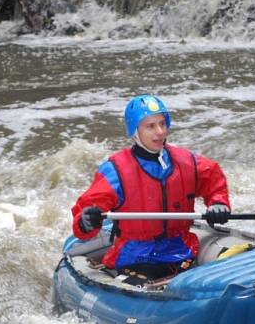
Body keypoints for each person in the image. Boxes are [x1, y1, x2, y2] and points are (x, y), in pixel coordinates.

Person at [71, 94, 231, 278]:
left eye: (162, 123)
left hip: (181, 251)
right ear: (135, 131)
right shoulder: (115, 171)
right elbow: (84, 219)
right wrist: (85, 221)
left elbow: (213, 178)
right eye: (151, 126)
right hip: (135, 258)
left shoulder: (187, 162)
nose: (160, 132)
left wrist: (218, 203)